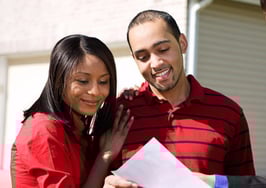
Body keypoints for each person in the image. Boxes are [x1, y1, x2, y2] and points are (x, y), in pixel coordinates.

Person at [104, 1, 266, 187]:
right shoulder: (120, 113)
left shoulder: (229, 113)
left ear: (182, 43)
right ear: (135, 60)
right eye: (143, 57)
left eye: (163, 50)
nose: (155, 63)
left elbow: (246, 184)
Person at [10, 34, 134, 188]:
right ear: (59, 80)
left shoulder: (77, 128)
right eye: (83, 81)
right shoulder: (43, 128)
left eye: (103, 81)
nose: (95, 91)